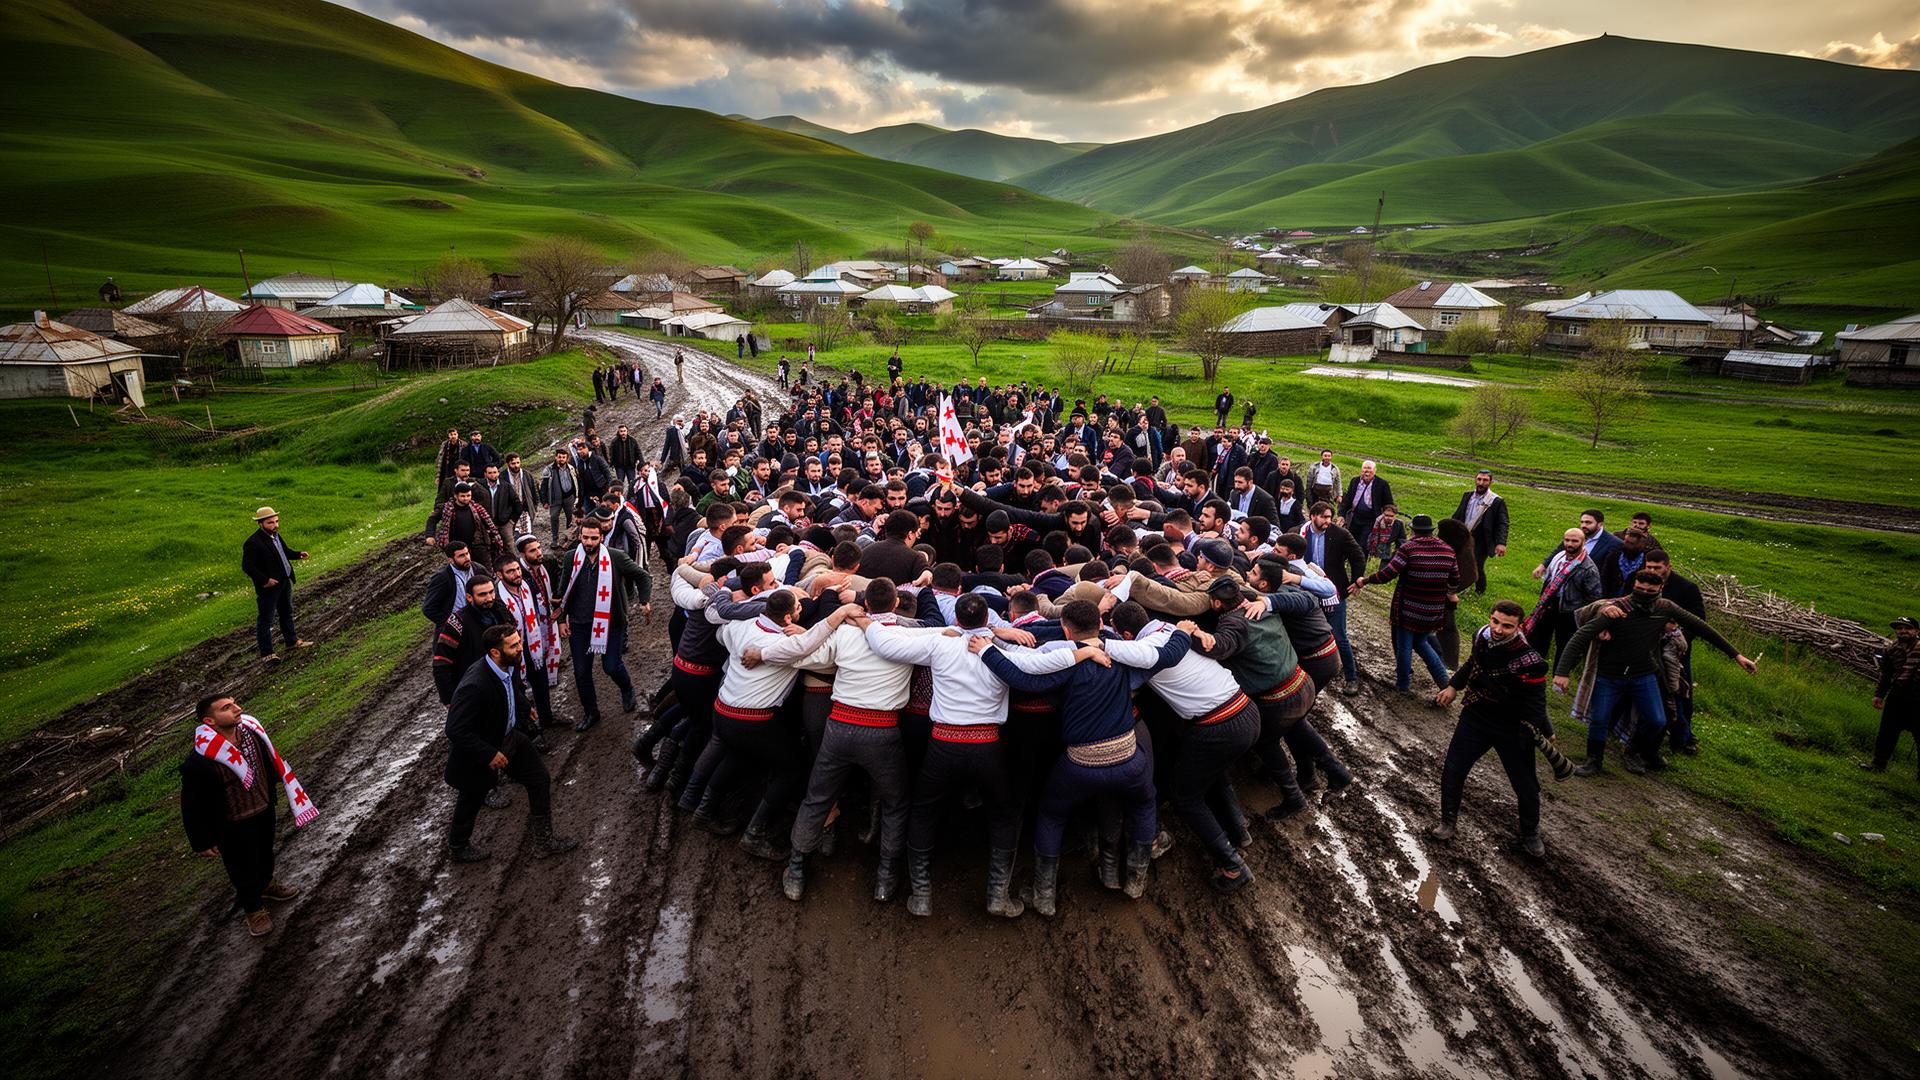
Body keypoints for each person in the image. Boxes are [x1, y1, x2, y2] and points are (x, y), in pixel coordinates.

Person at [977, 600, 1189, 914]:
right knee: (1145, 803)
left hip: (1081, 762)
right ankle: (1134, 881)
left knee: (1051, 814)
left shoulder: (1064, 664)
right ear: (1101, 624)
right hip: (1129, 756)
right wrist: (1183, 632)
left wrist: (987, 647)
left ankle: (1043, 896)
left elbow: (1022, 678)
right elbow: (1167, 656)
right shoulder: (1122, 655)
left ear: (1064, 628)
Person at [1553, 570, 1757, 776]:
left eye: (1650, 590)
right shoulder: (1617, 610)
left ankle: (1633, 750)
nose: (1644, 593)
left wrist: (1737, 655)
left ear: (1660, 589)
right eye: (1640, 589)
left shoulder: (1665, 607)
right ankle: (1594, 761)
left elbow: (1701, 627)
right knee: (1600, 719)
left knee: (1657, 720)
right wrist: (1562, 672)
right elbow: (1580, 636)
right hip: (1609, 675)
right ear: (1634, 586)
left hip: (1643, 675)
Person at [181, 695, 316, 936]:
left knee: (265, 852)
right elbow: (192, 802)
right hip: (231, 823)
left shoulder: (253, 733)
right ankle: (253, 909)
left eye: (234, 703)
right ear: (209, 721)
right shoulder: (200, 760)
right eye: (227, 708)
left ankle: (265, 884)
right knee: (240, 867)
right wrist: (201, 839)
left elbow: (269, 761)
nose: (237, 709)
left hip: (263, 807)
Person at [444, 626, 578, 862]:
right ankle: (458, 846)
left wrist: (525, 708)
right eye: (514, 645)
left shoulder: (504, 668)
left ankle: (543, 842)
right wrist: (488, 754)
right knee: (472, 796)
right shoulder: (475, 685)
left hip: (508, 738)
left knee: (539, 778)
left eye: (519, 642)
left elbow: (509, 690)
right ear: (496, 652)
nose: (520, 648)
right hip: (481, 749)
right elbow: (455, 729)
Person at [1430, 601, 1551, 856]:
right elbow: (1473, 664)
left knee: (1525, 784)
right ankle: (1448, 822)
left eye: (1507, 626)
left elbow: (1536, 700)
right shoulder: (1481, 637)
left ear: (1520, 626)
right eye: (1495, 621)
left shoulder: (1531, 660)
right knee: (1453, 769)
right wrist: (1453, 686)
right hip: (1476, 716)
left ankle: (1530, 833)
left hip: (1512, 725)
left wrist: (1536, 730)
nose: (1498, 629)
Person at [544, 519, 652, 731]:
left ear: (601, 538)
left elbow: (642, 576)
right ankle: (591, 712)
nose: (589, 542)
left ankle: (626, 687)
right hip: (580, 624)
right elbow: (562, 591)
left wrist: (644, 601)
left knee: (611, 665)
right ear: (579, 537)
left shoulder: (615, 557)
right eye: (585, 538)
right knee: (581, 672)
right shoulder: (570, 559)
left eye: (594, 538)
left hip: (611, 622)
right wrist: (559, 620)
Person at [1351, 514, 1457, 693]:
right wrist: (1449, 593)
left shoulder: (1408, 548)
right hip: (1433, 611)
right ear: (1432, 531)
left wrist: (1364, 580)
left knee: (1404, 646)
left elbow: (1388, 574)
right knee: (1422, 642)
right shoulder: (1447, 550)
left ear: (1413, 530)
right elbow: (1455, 579)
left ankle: (1402, 684)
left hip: (1408, 609)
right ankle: (1444, 681)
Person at [241, 506, 312, 660]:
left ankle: (292, 642)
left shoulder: (276, 535)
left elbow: (284, 552)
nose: (275, 525)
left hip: (285, 581)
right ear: (260, 524)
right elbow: (247, 566)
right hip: (269, 587)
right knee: (266, 619)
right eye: (270, 523)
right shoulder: (253, 542)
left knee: (286, 612)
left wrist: (299, 554)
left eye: (276, 521)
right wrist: (264, 580)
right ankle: (267, 654)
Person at [1527, 528, 1602, 668]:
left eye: (1575, 541)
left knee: (1564, 644)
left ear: (1583, 542)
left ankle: (1559, 675)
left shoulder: (1588, 568)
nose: (1570, 544)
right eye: (1567, 540)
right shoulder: (1559, 556)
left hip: (1569, 611)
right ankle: (1534, 667)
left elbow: (1594, 596)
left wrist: (1580, 612)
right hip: (1550, 604)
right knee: (1538, 637)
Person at [1866, 616, 1920, 779]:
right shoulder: (1891, 649)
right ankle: (1878, 764)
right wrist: (1879, 695)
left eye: (1907, 628)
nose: (1902, 631)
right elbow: (1886, 674)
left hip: (1918, 698)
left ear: (1916, 631)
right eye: (1899, 628)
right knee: (1887, 731)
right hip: (1898, 694)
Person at [1452, 470, 1508, 593]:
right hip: (1464, 536)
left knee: (1476, 564)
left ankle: (1479, 591)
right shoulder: (1467, 496)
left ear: (1490, 482)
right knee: (1458, 561)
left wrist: (1501, 543)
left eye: (1485, 480)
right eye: (1479, 479)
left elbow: (1502, 523)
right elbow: (1458, 514)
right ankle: (1459, 586)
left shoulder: (1496, 501)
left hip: (1482, 539)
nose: (1481, 483)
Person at [1339, 460, 1392, 546]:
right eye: (1365, 468)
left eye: (1369, 468)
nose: (1367, 471)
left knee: (1364, 544)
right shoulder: (1355, 481)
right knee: (1350, 542)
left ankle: (1361, 559)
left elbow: (1388, 503)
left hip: (1371, 519)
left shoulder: (1382, 484)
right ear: (1361, 470)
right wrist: (1341, 515)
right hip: (1355, 517)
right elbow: (1347, 500)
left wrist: (1387, 518)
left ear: (1374, 471)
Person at [543, 449, 579, 541]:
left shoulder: (571, 468)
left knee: (570, 517)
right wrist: (545, 501)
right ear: (556, 457)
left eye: (564, 457)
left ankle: (569, 537)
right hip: (555, 498)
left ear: (567, 458)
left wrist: (577, 495)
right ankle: (555, 538)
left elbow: (576, 481)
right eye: (559, 457)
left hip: (569, 497)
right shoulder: (549, 469)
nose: (561, 459)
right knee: (554, 517)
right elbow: (543, 486)